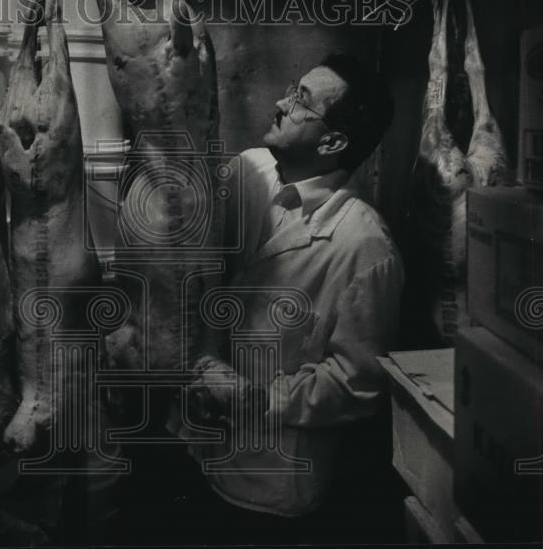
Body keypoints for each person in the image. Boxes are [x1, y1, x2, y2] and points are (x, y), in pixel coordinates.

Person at [163, 52, 406, 546]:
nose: (280, 102)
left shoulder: (364, 246)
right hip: (198, 443)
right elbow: (209, 271)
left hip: (272, 485)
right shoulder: (248, 172)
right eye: (292, 91)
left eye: (300, 102)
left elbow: (357, 384)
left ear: (334, 141)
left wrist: (256, 400)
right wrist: (206, 354)